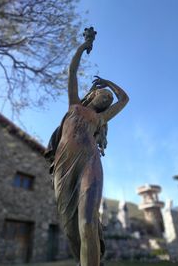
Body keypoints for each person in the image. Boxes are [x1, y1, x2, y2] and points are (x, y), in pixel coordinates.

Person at [45, 29, 129, 266]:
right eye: (104, 95)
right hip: (64, 163)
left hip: (90, 162)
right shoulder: (74, 105)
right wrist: (85, 45)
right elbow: (72, 71)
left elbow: (124, 99)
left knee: (88, 223)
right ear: (92, 95)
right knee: (71, 228)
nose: (107, 99)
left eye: (107, 100)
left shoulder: (100, 118)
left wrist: (110, 83)